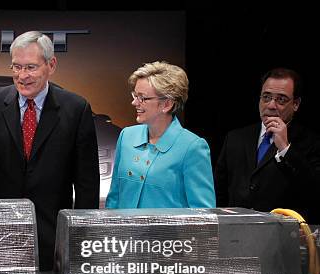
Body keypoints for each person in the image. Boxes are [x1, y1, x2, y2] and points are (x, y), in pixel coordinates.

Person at [0, 31, 99, 272]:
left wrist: (80, 235)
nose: (22, 76)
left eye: (31, 67)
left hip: (52, 235)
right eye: (16, 67)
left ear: (51, 65)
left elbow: (86, 183)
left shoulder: (76, 108)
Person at [214, 68, 320, 223]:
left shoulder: (311, 142)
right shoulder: (236, 138)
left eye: (281, 99)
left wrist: (285, 148)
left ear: (296, 104)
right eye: (266, 97)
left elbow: (314, 192)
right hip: (237, 233)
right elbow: (219, 191)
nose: (271, 105)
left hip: (285, 235)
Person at [106, 61, 215, 209]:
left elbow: (203, 214)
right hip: (124, 232)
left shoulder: (193, 147)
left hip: (168, 233)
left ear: (167, 104)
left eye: (142, 98)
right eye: (135, 95)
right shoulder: (126, 136)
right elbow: (114, 198)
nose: (134, 102)